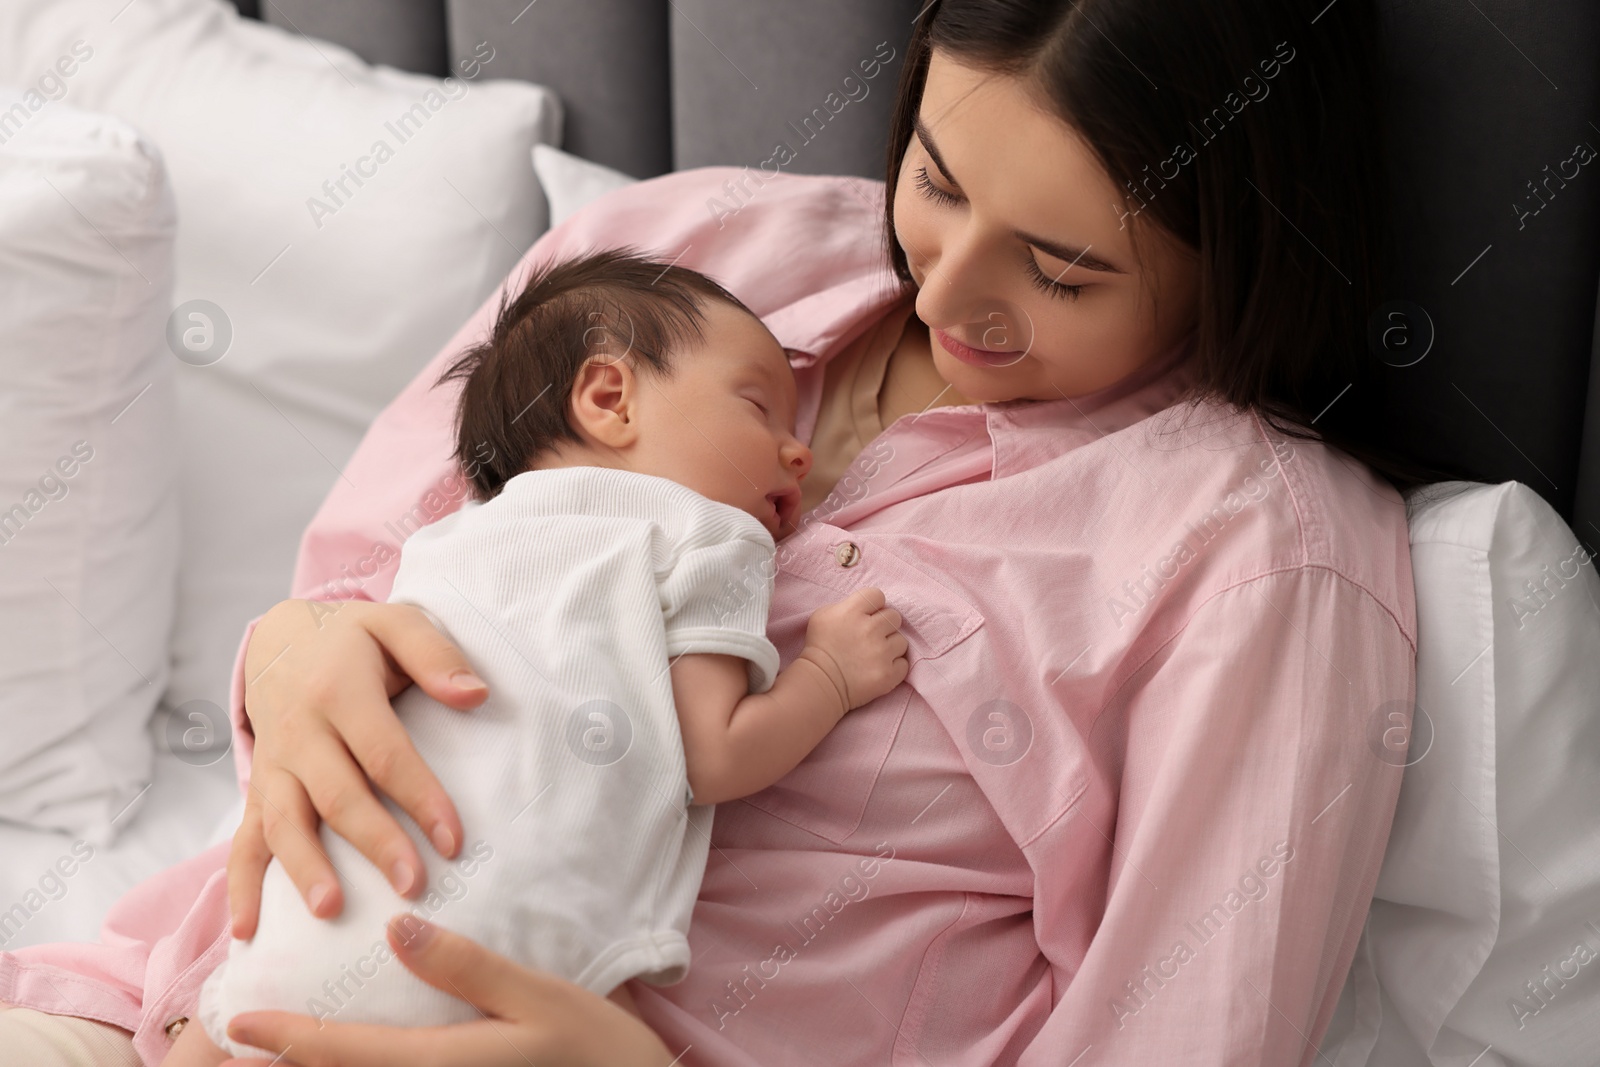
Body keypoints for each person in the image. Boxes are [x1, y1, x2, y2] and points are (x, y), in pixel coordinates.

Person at [0, 0, 1420, 1063]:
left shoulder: (1262, 559)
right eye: (934, 180)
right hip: (173, 1008)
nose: (945, 300)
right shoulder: (689, 250)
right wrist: (291, 658)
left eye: (1058, 269)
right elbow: (360, 592)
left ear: (1240, 243)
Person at [162, 248, 910, 1064]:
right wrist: (831, 675)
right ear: (608, 397)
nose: (796, 450)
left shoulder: (444, 541)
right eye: (760, 407)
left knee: (224, 1033)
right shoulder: (707, 532)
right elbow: (714, 751)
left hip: (304, 923)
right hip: (508, 956)